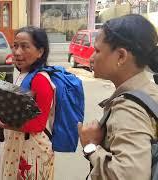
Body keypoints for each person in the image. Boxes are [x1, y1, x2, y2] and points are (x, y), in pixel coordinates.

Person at [78, 14, 158, 180]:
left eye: (98, 50)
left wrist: (90, 146)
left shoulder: (129, 108)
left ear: (121, 56)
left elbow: (130, 175)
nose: (92, 58)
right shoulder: (150, 90)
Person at [0, 26, 55, 180]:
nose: (17, 52)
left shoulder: (40, 79)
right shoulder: (22, 74)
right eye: (15, 46)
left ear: (40, 51)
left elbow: (37, 124)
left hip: (32, 150)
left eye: (25, 46)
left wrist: (2, 124)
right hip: (18, 146)